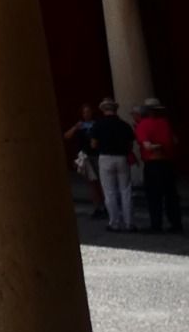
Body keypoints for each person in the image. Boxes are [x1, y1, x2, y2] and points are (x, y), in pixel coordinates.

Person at [89, 98, 138, 232]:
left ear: (103, 110)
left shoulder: (98, 125)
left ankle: (114, 222)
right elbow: (130, 144)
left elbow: (93, 144)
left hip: (105, 157)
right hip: (122, 158)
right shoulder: (124, 125)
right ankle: (129, 223)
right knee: (126, 190)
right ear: (115, 110)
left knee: (109, 191)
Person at [134, 99, 182, 232]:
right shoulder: (165, 123)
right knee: (171, 195)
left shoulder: (143, 125)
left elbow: (146, 146)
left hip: (153, 163)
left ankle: (156, 224)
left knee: (154, 196)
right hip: (167, 163)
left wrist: (155, 146)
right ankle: (176, 223)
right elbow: (174, 140)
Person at [65, 102, 106, 219]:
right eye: (84, 112)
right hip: (86, 157)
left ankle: (106, 206)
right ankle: (98, 206)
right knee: (92, 183)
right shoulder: (80, 126)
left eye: (88, 111)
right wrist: (75, 128)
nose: (86, 114)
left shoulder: (97, 124)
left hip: (97, 155)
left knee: (101, 182)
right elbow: (66, 136)